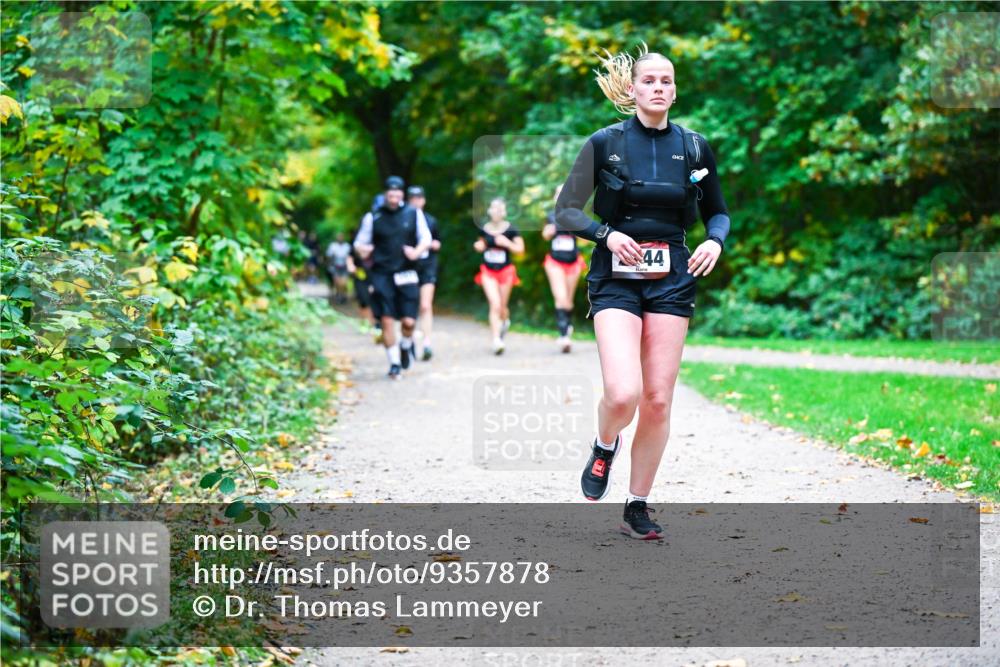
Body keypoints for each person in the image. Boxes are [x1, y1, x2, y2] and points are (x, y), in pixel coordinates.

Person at [556, 44, 731, 539]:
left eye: (667, 81)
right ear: (632, 90)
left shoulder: (694, 146)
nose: (659, 88)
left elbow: (717, 210)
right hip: (616, 272)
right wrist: (606, 234)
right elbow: (565, 210)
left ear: (675, 90)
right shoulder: (604, 142)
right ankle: (604, 445)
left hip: (673, 272)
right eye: (649, 80)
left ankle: (638, 504)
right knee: (624, 391)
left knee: (656, 399)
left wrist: (714, 241)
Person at [353, 176, 433, 379]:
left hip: (407, 272)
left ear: (402, 194)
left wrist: (416, 252)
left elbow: (426, 239)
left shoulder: (414, 214)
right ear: (385, 194)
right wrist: (364, 250)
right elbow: (359, 244)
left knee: (408, 322)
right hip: (382, 274)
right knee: (387, 319)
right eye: (390, 192)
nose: (394, 196)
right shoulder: (373, 217)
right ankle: (394, 363)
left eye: (398, 192)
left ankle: (406, 346)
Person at [473, 197, 525, 355]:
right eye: (494, 208)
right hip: (488, 271)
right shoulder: (484, 228)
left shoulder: (511, 229)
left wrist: (507, 243)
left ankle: (504, 321)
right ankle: (496, 340)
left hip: (506, 271)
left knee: (502, 306)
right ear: (489, 211)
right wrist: (479, 246)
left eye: (499, 209)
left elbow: (520, 249)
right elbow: (480, 244)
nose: (496, 211)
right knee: (494, 304)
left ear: (504, 212)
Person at [542, 184, 588, 353]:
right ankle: (564, 336)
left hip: (573, 261)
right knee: (560, 297)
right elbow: (545, 235)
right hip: (555, 262)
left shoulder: (577, 217)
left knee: (568, 300)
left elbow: (585, 240)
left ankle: (567, 325)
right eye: (558, 194)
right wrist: (550, 231)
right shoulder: (551, 216)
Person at [407, 185, 441, 361]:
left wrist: (434, 244)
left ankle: (427, 342)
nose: (415, 201)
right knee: (410, 306)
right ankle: (409, 341)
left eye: (418, 198)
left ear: (424, 200)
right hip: (409, 266)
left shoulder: (431, 221)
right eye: (412, 198)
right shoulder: (404, 220)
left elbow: (438, 242)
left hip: (428, 265)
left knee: (426, 305)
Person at [325, 232, 352, 305]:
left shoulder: (347, 246)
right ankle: (339, 294)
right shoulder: (333, 246)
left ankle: (343, 295)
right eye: (339, 237)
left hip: (344, 267)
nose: (340, 238)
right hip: (335, 267)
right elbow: (328, 256)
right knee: (337, 282)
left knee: (343, 283)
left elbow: (350, 257)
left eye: (341, 237)